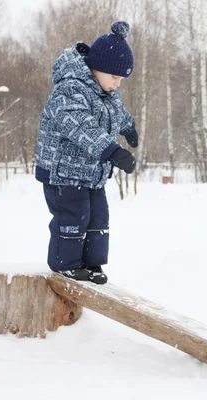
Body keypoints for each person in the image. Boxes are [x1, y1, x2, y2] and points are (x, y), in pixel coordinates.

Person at [35, 21, 139, 284]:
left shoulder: (106, 93)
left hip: (91, 173)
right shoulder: (70, 89)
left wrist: (129, 127)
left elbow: (117, 113)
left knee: (98, 217)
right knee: (73, 216)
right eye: (114, 76)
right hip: (63, 173)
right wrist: (111, 149)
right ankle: (66, 265)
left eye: (121, 79)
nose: (117, 83)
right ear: (97, 68)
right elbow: (79, 125)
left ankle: (91, 264)